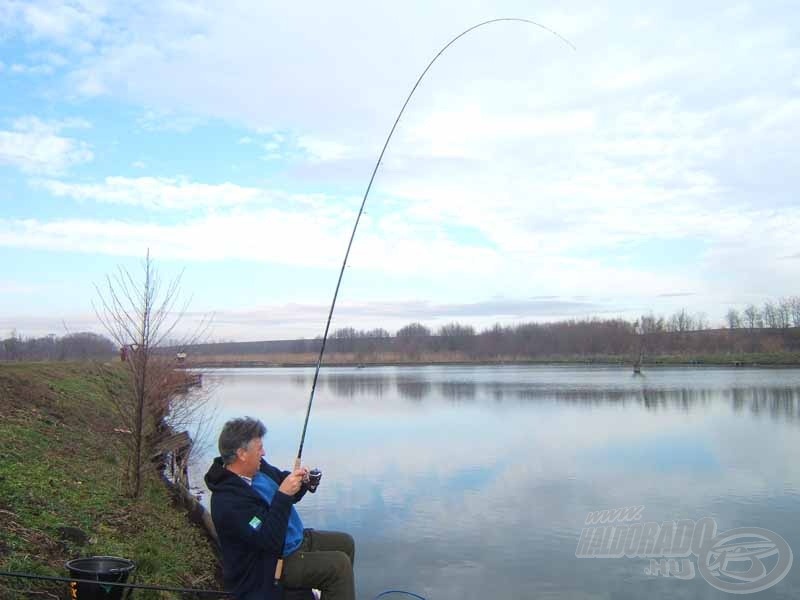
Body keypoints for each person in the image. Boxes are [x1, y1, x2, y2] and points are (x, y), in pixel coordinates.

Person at [205, 417, 355, 600]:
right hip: (269, 564)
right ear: (242, 454)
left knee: (346, 543)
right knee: (339, 566)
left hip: (293, 540)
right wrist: (283, 496)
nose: (264, 452)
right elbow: (269, 541)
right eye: (259, 448)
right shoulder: (228, 501)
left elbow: (283, 482)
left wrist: (303, 483)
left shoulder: (259, 470)